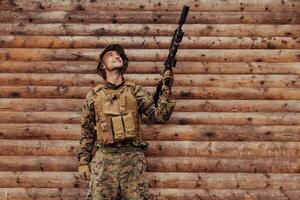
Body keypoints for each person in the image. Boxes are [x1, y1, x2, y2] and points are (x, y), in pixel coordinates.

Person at [77, 44, 176, 200]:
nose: (117, 56)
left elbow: (159, 116)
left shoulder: (135, 91)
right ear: (103, 66)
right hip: (104, 161)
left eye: (119, 55)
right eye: (110, 55)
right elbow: (87, 131)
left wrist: (166, 89)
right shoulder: (93, 96)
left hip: (133, 160)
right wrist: (83, 161)